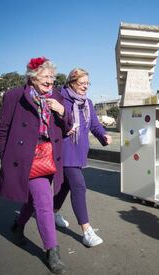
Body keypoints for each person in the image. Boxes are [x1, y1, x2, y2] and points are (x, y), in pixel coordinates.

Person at [0, 57, 70, 274]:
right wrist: (6, 155)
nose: (50, 81)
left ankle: (18, 225)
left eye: (52, 77)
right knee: (44, 201)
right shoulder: (14, 96)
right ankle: (52, 252)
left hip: (47, 156)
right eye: (46, 76)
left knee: (34, 198)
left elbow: (67, 126)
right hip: (24, 156)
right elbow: (2, 130)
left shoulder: (56, 97)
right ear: (33, 77)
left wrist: (62, 111)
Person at [53, 68, 112, 247]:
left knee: (65, 186)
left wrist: (104, 135)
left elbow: (94, 124)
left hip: (79, 151)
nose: (85, 87)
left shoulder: (88, 102)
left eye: (87, 83)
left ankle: (52, 212)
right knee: (78, 185)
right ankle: (86, 230)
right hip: (64, 150)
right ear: (71, 82)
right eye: (81, 83)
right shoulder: (59, 98)